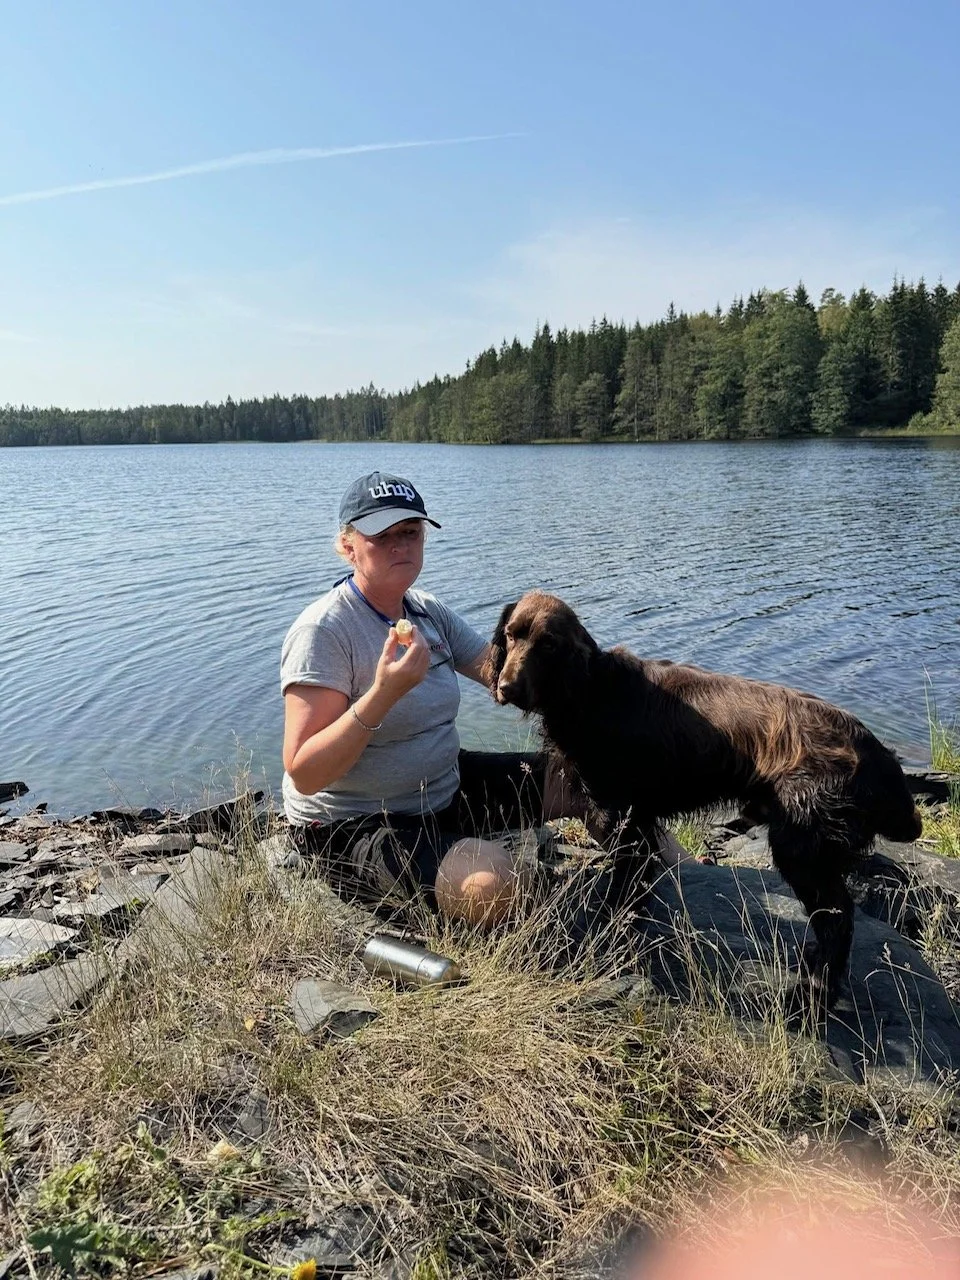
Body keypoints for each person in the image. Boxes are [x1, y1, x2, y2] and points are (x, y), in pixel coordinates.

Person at [280, 469, 553, 925]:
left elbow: (499, 674)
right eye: (382, 535)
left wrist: (585, 688)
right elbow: (306, 772)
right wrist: (384, 694)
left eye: (410, 532)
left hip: (443, 788)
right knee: (498, 885)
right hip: (354, 824)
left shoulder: (425, 610)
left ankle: (683, 872)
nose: (400, 545)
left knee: (585, 777)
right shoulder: (323, 630)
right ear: (348, 547)